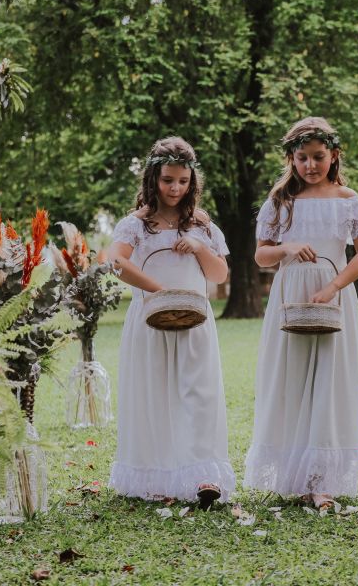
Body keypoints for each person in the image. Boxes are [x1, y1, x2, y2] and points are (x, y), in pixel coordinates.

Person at [244, 116, 358, 510]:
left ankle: (322, 479)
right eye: (302, 158)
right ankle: (297, 473)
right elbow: (261, 255)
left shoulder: (348, 200)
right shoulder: (280, 201)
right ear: (292, 159)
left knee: (330, 380)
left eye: (318, 157)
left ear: (334, 155)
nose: (310, 165)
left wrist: (334, 287)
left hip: (332, 293)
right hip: (290, 295)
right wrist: (287, 247)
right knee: (292, 378)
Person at [107, 137, 234, 509]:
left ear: (192, 180)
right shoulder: (136, 225)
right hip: (150, 320)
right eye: (167, 180)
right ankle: (157, 474)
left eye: (182, 181)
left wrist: (198, 247)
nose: (175, 188)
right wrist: (160, 293)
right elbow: (118, 263)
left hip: (195, 321)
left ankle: (202, 473)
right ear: (152, 178)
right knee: (155, 393)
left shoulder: (202, 225)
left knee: (200, 392)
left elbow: (221, 273)